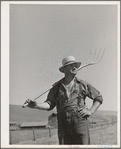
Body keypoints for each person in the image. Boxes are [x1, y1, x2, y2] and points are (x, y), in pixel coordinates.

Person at [25, 56, 103, 145]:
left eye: (75, 65)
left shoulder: (83, 84)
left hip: (79, 122)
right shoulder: (56, 87)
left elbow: (98, 97)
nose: (75, 67)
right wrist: (36, 105)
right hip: (63, 123)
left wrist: (90, 111)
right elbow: (49, 104)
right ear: (64, 69)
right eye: (71, 65)